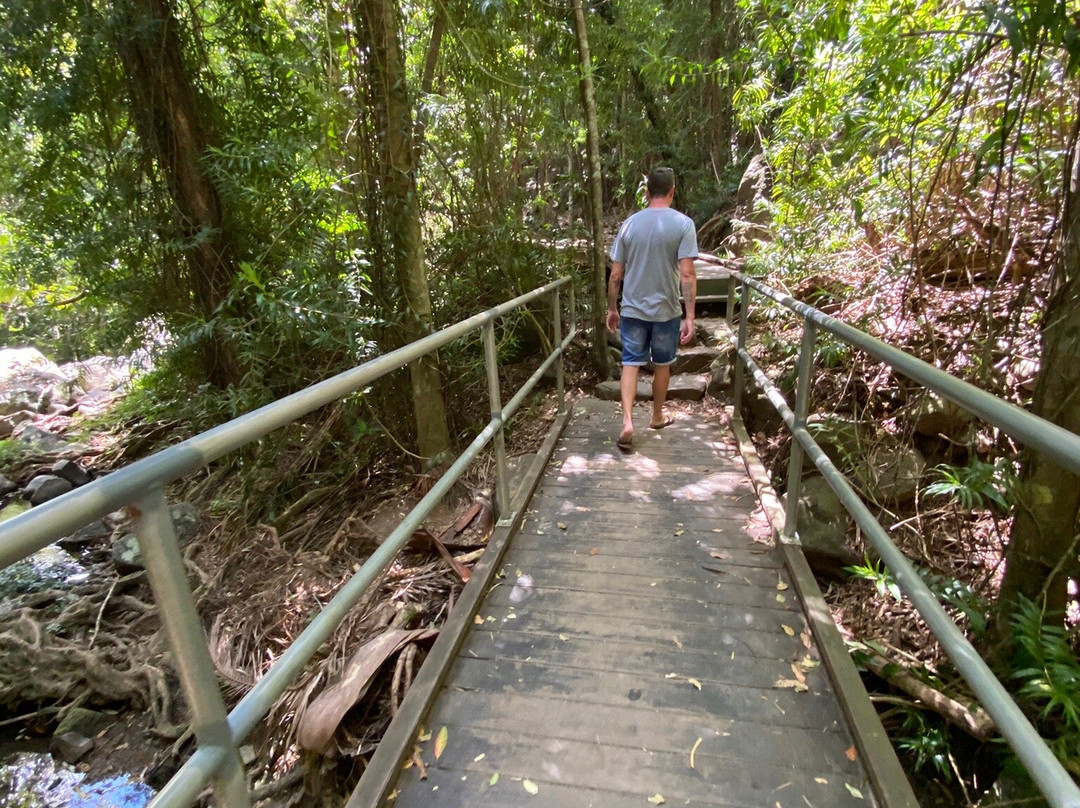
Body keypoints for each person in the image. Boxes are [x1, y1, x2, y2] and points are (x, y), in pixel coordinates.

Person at [606, 167, 698, 451]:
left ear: (646, 193)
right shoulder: (683, 224)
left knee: (630, 363)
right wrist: (690, 316)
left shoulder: (629, 225)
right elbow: (687, 274)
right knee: (662, 364)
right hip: (667, 310)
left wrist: (612, 308)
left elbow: (616, 274)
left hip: (633, 309)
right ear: (672, 191)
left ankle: (627, 422)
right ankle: (656, 416)